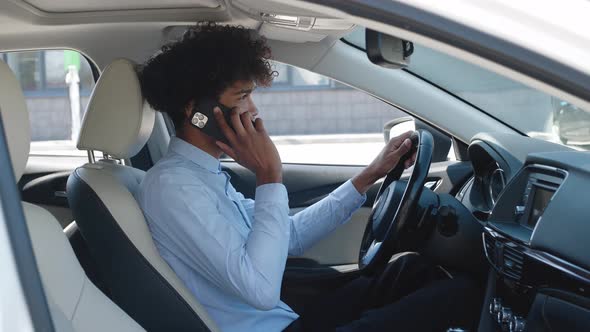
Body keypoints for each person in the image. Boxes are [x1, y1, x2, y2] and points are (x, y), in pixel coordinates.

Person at [136, 23, 480, 332]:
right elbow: (259, 289)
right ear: (194, 111)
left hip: (287, 318)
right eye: (242, 96)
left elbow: (291, 237)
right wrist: (269, 175)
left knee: (413, 271)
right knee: (457, 297)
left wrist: (368, 176)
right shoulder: (173, 187)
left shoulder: (202, 175)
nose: (254, 109)